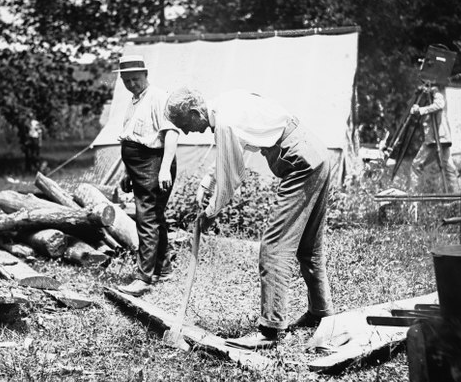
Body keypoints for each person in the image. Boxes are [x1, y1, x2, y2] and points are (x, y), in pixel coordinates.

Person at [165, 88, 334, 350]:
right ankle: (320, 313)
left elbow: (230, 175)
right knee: (308, 246)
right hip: (316, 153)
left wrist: (210, 211)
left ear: (195, 112)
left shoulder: (224, 120)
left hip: (301, 162)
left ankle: (270, 330)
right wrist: (207, 183)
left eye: (184, 125)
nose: (187, 133)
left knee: (274, 246)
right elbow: (231, 153)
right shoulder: (224, 105)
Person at [115, 55, 180, 296]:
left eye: (136, 79)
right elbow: (132, 136)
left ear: (146, 75)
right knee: (155, 217)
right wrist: (126, 171)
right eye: (127, 80)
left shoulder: (158, 97)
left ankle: (144, 277)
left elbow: (171, 134)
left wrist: (164, 168)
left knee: (147, 218)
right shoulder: (134, 101)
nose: (132, 84)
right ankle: (164, 269)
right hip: (138, 166)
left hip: (154, 163)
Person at [408, 83, 460, 193]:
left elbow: (439, 104)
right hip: (437, 137)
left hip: (437, 137)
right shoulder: (428, 93)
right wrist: (418, 110)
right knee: (448, 167)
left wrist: (421, 110)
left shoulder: (435, 91)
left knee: (416, 166)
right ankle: (457, 196)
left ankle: (412, 198)